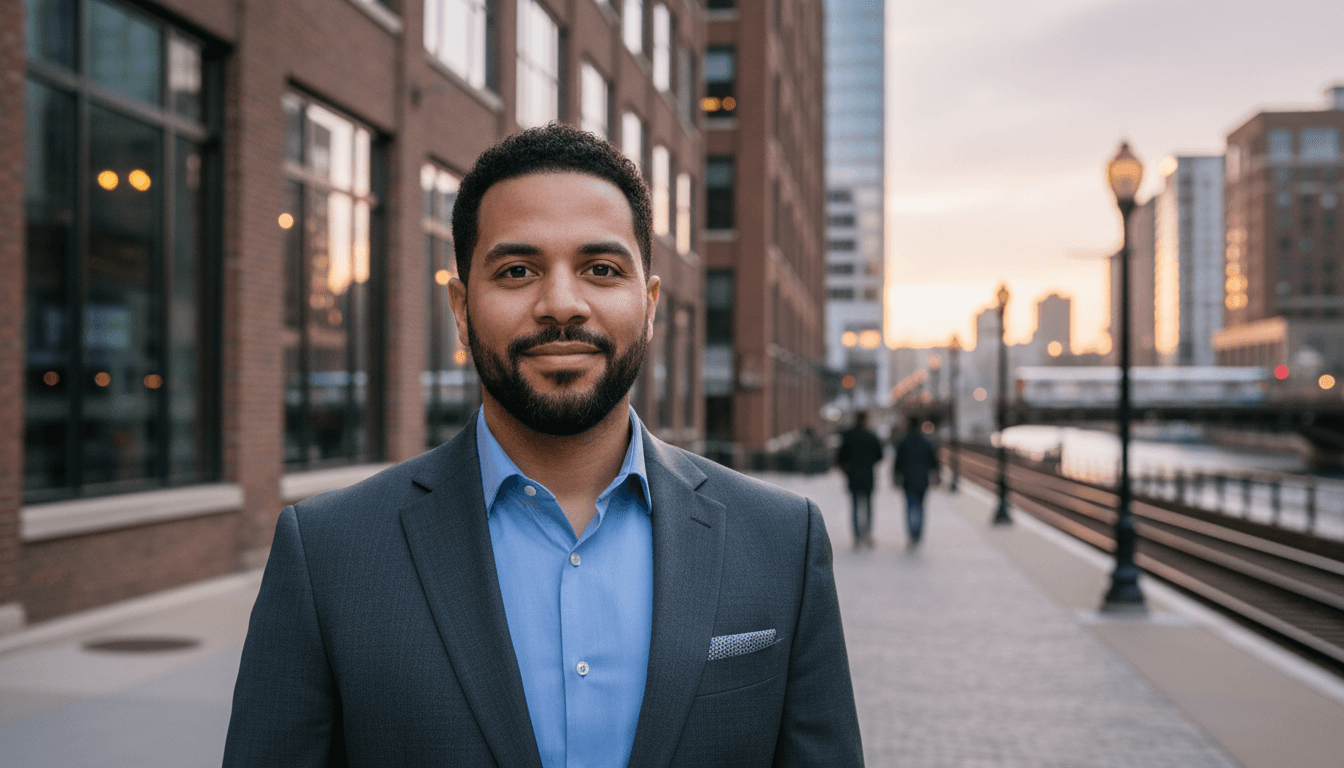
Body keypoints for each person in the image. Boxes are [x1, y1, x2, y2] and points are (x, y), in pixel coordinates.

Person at [223, 124, 862, 767]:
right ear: (461, 306)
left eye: (601, 269)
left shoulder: (783, 541)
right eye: (518, 270)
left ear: (649, 303)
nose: (562, 304)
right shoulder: (329, 554)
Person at [835, 411, 883, 549]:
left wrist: (847, 470)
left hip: (853, 476)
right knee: (867, 506)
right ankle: (867, 534)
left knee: (855, 506)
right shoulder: (871, 436)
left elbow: (840, 457)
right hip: (868, 476)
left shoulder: (849, 436)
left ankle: (856, 536)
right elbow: (879, 456)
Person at [893, 416, 940, 547]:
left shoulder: (904, 442)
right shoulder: (926, 441)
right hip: (922, 480)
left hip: (908, 480)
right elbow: (933, 461)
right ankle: (918, 533)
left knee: (910, 507)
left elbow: (898, 462)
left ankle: (912, 534)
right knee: (920, 507)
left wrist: (896, 478)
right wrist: (936, 476)